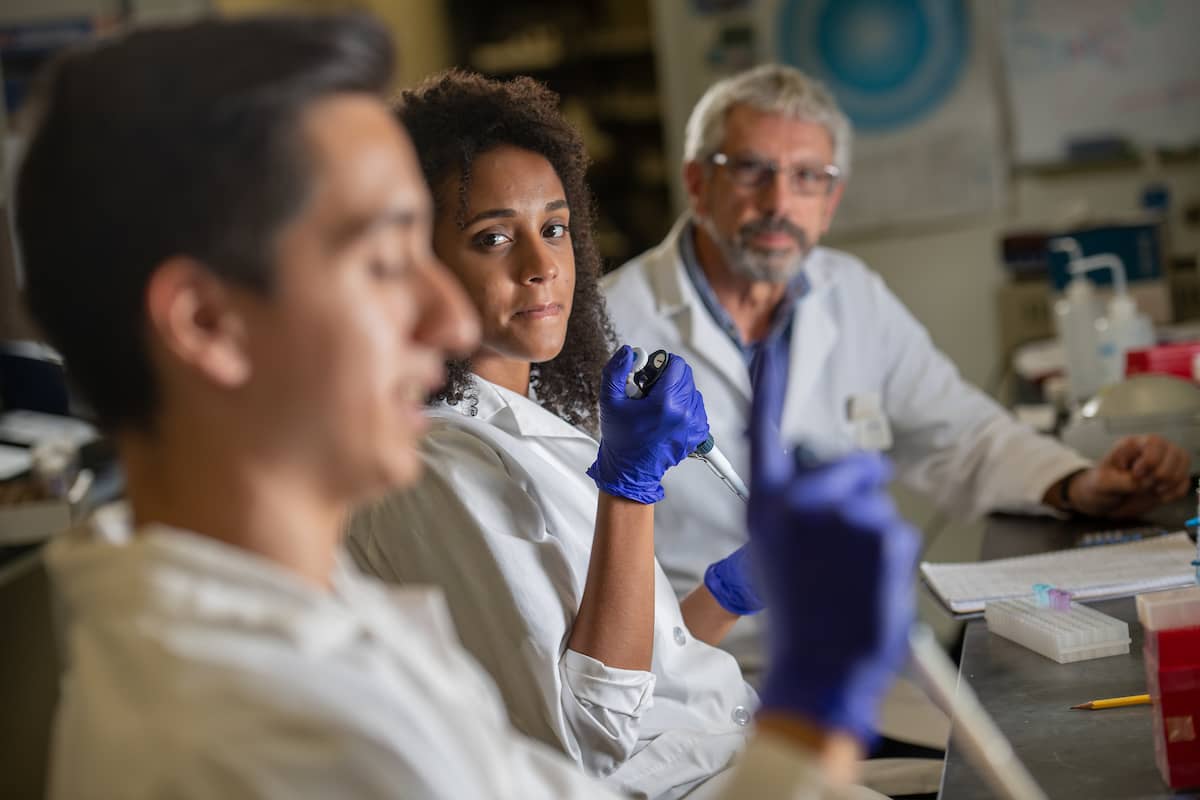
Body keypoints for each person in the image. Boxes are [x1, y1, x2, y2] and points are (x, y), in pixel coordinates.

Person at [17, 15, 917, 800]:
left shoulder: (295, 626)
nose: (446, 314)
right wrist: (820, 692)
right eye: (381, 261)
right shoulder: (282, 732)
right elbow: (594, 746)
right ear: (207, 323)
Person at [345, 70, 915, 800]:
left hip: (728, 758)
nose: (540, 266)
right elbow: (590, 738)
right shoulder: (436, 466)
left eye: (553, 228)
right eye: (493, 238)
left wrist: (731, 592)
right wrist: (629, 489)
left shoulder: (523, 420)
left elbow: (638, 671)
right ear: (416, 265)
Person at [601, 63, 1193, 678]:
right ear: (697, 183)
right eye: (752, 171)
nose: (779, 203)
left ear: (830, 202)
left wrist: (1078, 483)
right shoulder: (608, 325)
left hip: (863, 655)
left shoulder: (851, 294)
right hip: (697, 677)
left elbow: (960, 433)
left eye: (808, 178)